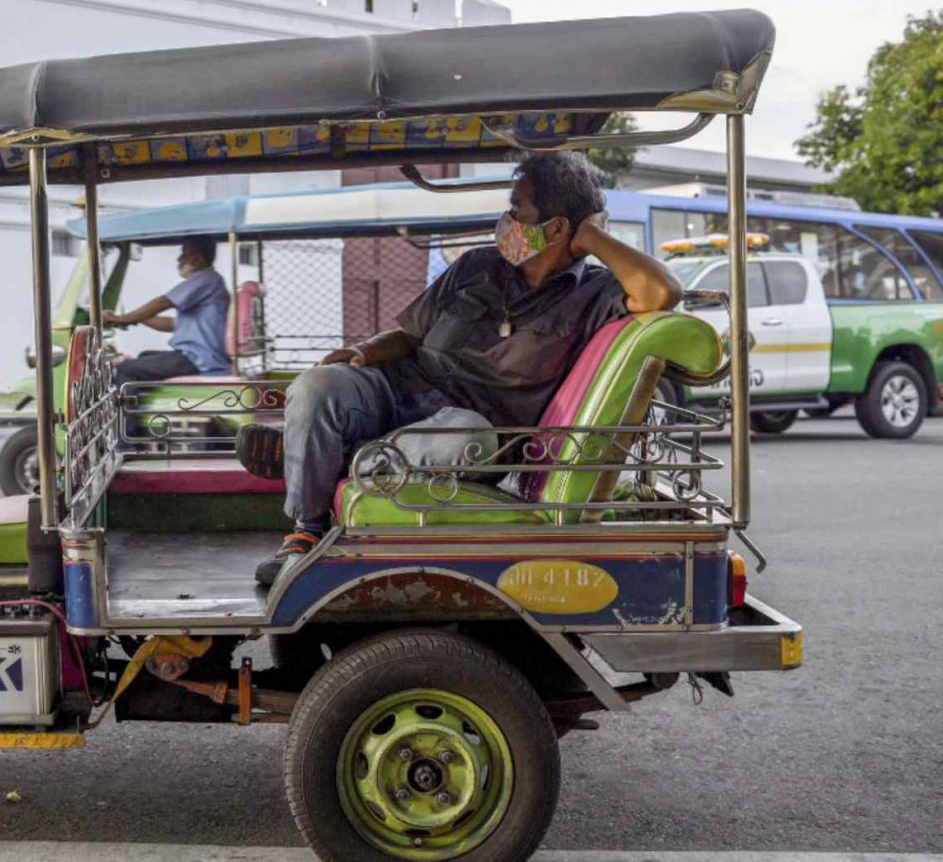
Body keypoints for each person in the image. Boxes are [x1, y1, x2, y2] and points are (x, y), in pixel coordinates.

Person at [235, 151, 683, 586]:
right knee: (318, 386)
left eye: (517, 210)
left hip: (471, 429)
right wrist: (363, 352)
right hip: (398, 392)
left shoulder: (594, 294)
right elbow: (411, 335)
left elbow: (663, 293)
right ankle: (307, 528)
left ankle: (323, 459)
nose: (506, 221)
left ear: (558, 227)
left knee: (463, 436)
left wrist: (591, 239)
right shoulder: (476, 266)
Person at [105, 235, 231, 384]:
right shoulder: (208, 284)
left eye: (184, 253)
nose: (179, 258)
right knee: (144, 356)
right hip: (198, 356)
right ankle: (141, 403)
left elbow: (163, 302)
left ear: (197, 258)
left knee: (125, 370)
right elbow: (172, 324)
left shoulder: (205, 279)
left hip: (198, 358)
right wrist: (133, 319)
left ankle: (126, 407)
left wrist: (121, 319)